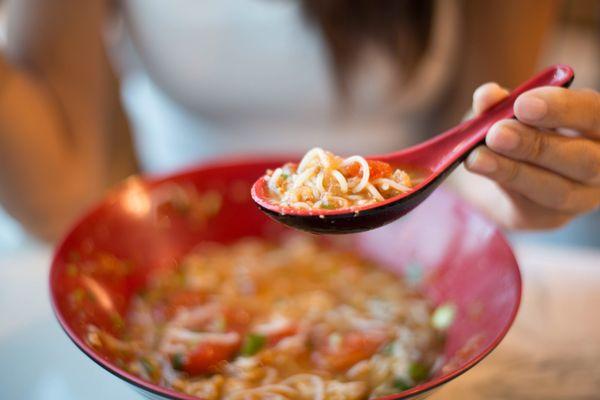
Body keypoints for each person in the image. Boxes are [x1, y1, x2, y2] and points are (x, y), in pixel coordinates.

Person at [0, 0, 598, 241]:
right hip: (176, 240)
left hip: (421, 242)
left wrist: (502, 177)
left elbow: (469, 141)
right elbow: (64, 187)